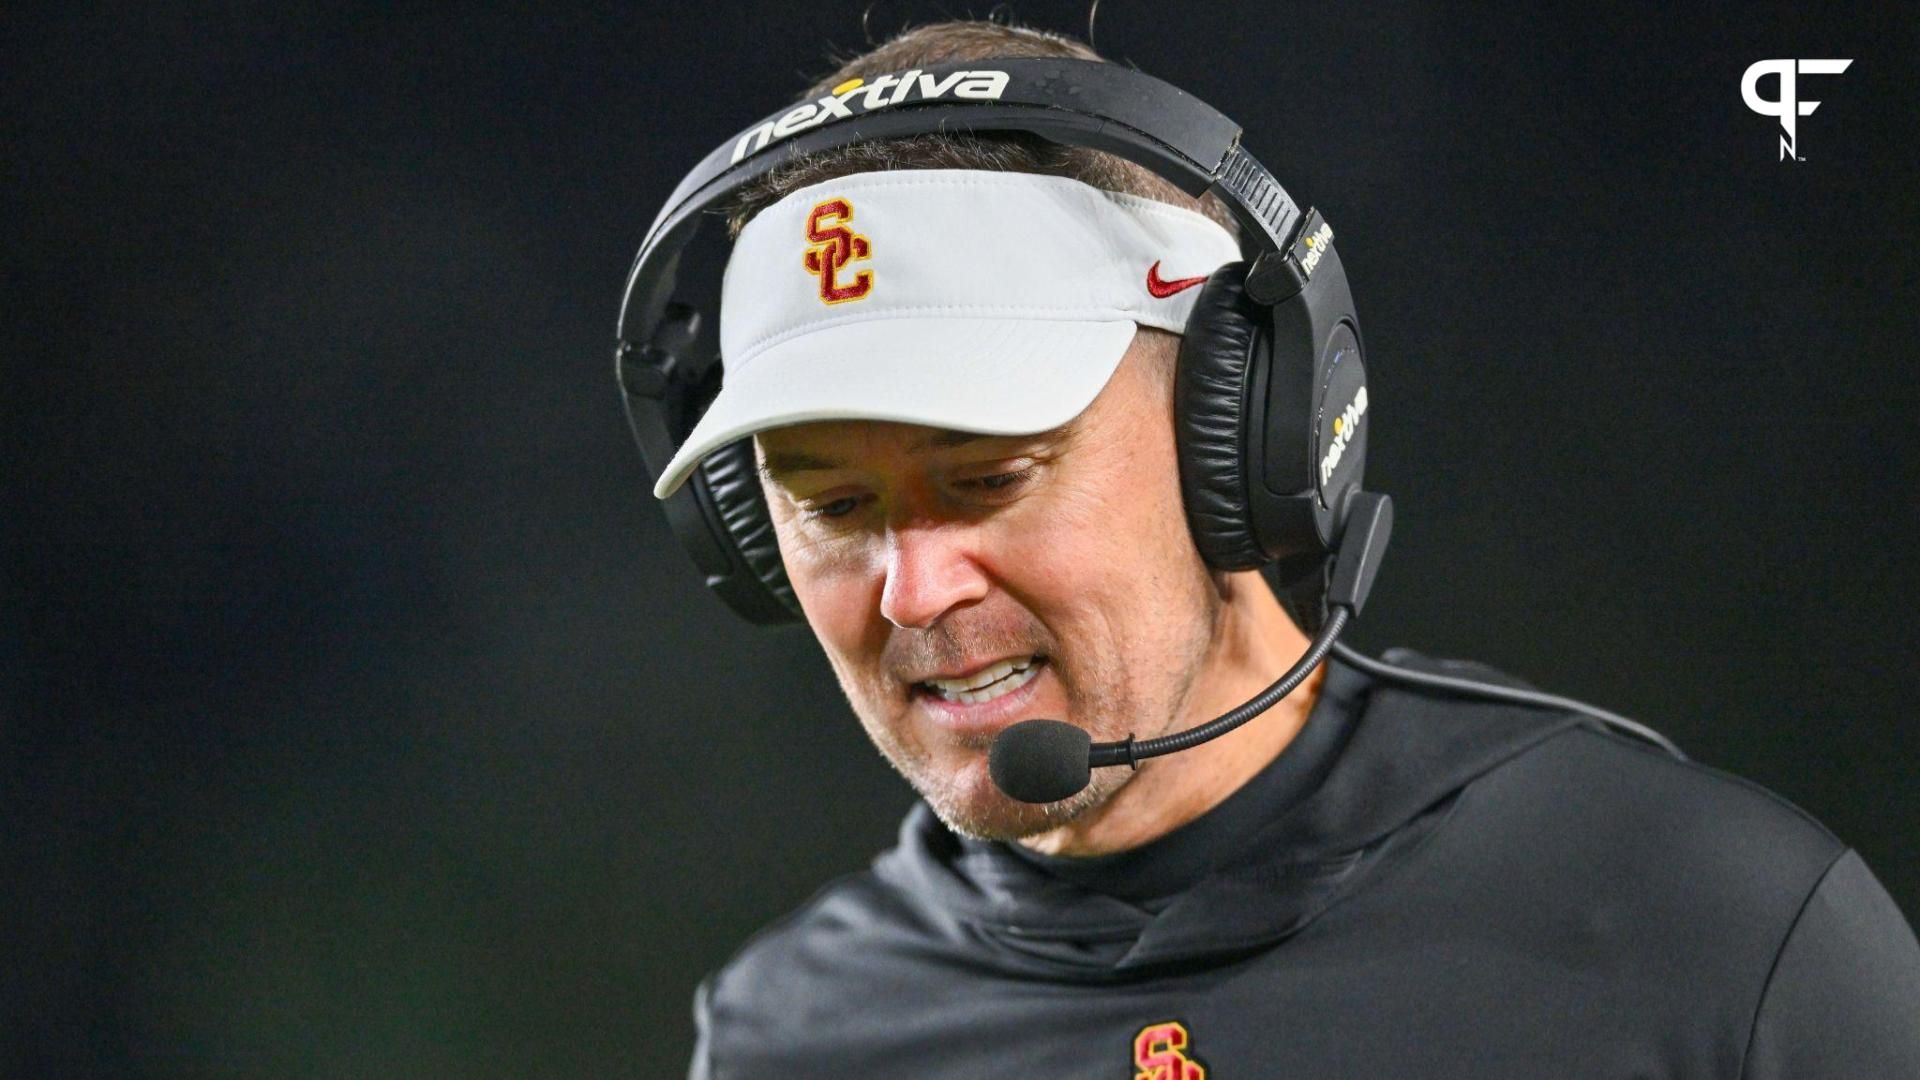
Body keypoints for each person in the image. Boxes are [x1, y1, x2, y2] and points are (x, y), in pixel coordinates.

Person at [626, 20, 1920, 1079]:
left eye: (988, 478)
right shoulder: (781, 1038)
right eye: (835, 510)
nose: (914, 589)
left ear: (1240, 430)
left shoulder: (1722, 935)